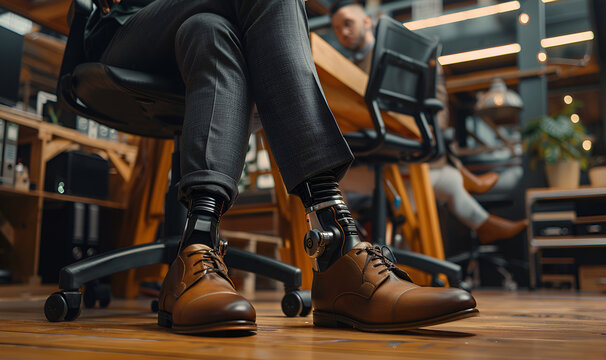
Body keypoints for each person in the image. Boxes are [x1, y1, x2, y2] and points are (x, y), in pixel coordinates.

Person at [85, 0, 477, 334]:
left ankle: (197, 245)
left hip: (195, 24)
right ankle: (337, 242)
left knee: (211, 32)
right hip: (123, 28)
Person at [330, 0, 528, 244]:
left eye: (347, 23)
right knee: (450, 181)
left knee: (332, 178)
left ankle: (347, 248)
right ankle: (473, 197)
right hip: (386, 154)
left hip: (397, 144)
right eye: (337, 28)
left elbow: (434, 93)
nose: (343, 32)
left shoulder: (390, 54)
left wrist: (434, 126)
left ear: (367, 21)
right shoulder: (347, 68)